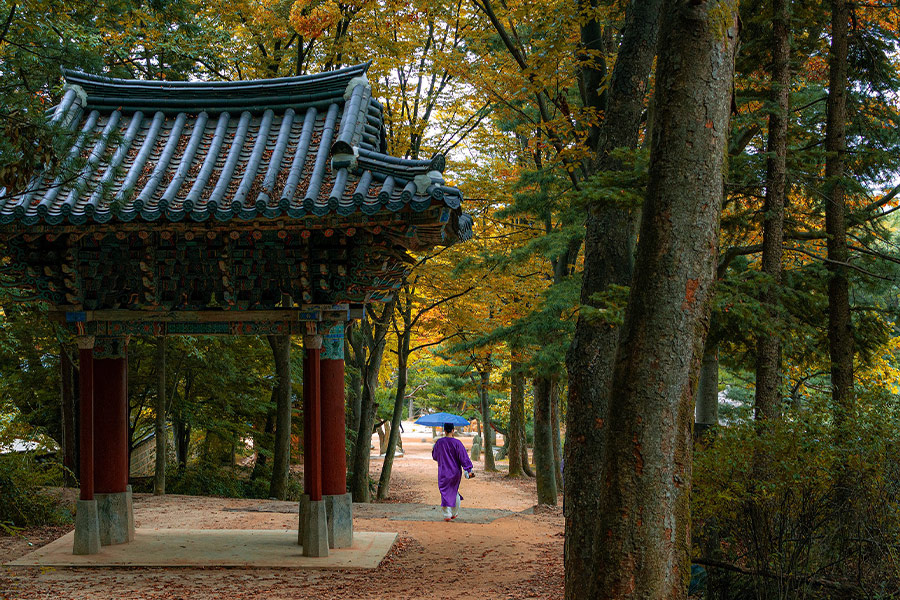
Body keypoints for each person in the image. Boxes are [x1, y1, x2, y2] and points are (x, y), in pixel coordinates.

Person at [432, 422, 475, 521]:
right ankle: (454, 513)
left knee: (444, 492)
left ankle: (447, 514)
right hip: (455, 472)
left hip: (443, 471)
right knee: (454, 491)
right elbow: (464, 457)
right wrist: (468, 469)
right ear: (453, 430)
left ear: (444, 430)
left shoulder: (439, 442)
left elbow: (435, 456)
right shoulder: (457, 443)